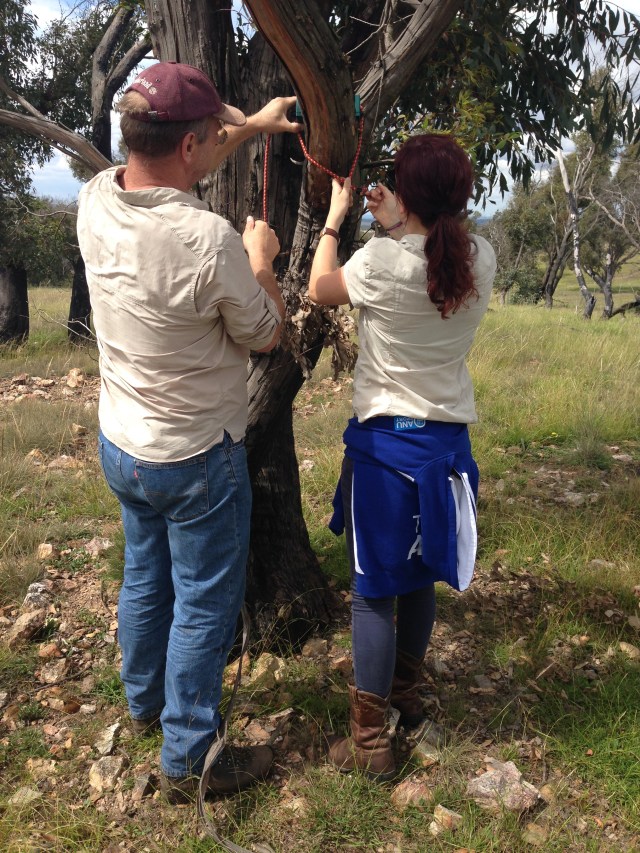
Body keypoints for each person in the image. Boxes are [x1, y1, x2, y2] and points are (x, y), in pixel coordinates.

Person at [76, 61, 302, 803]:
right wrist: (263, 262)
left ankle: (143, 702)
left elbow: (178, 159)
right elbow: (266, 333)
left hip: (123, 446)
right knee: (205, 600)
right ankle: (190, 756)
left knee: (145, 573)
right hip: (196, 457)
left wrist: (253, 126)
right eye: (210, 137)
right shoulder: (211, 241)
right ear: (191, 146)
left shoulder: (95, 199)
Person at [308, 134, 497, 779]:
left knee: (372, 593)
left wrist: (336, 221)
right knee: (419, 576)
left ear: (407, 195)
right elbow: (430, 254)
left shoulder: (380, 263)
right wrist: (398, 221)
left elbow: (319, 290)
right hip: (445, 449)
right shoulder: (483, 259)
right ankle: (408, 700)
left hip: (388, 450)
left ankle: (370, 742)